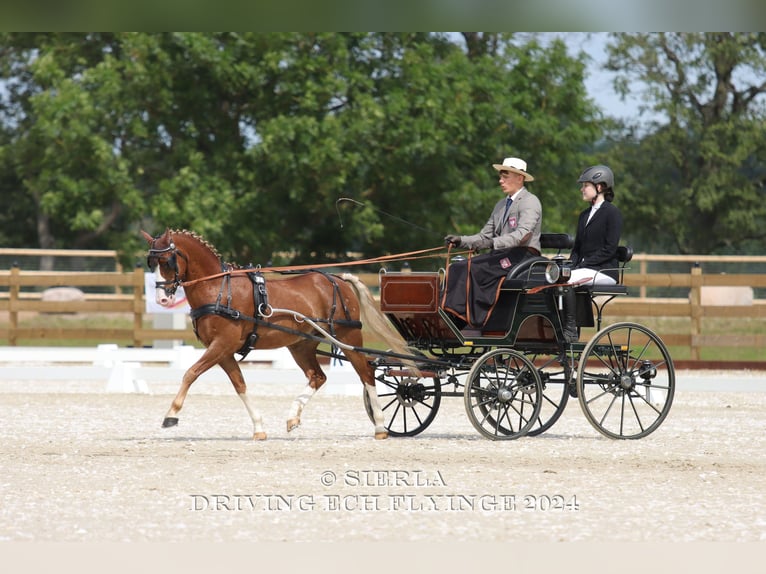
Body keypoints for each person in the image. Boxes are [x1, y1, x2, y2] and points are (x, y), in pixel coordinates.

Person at [442, 157, 542, 330]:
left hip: (523, 256)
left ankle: (462, 317)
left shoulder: (530, 202)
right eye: (500, 176)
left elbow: (521, 236)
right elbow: (483, 235)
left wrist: (490, 243)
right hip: (503, 254)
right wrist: (461, 241)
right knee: (457, 267)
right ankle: (451, 314)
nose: (500, 180)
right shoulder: (501, 205)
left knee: (474, 268)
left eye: (505, 176)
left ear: (520, 178)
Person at [561, 164, 623, 341]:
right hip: (585, 269)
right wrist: (570, 264)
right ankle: (561, 325)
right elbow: (577, 249)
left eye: (585, 185)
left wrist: (583, 264)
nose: (582, 189)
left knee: (570, 279)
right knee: (560, 277)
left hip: (604, 270)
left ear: (600, 187)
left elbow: (609, 249)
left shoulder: (612, 213)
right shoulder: (584, 215)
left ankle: (570, 329)